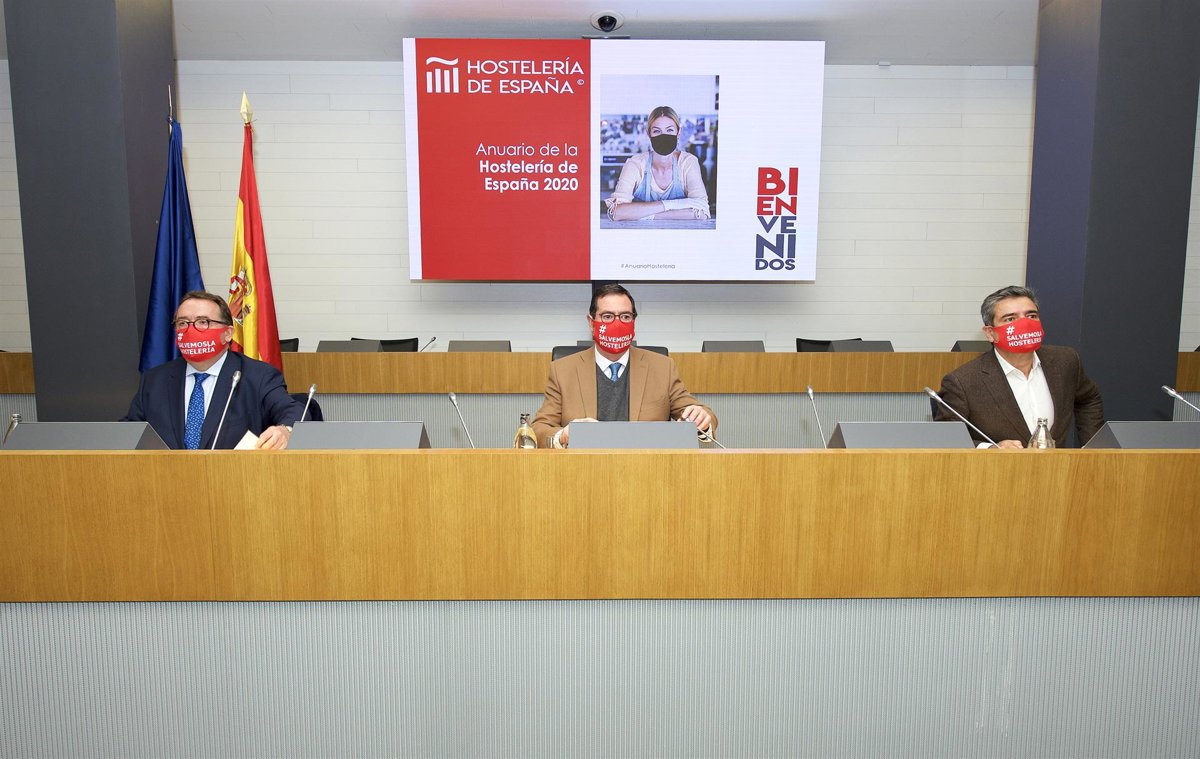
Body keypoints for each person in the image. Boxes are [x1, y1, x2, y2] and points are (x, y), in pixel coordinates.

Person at [532, 284, 717, 448]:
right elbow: (539, 429)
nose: (617, 323)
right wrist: (563, 435)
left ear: (634, 321)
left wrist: (701, 419)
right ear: (591, 322)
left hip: (646, 468)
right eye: (607, 316)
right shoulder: (563, 370)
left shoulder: (662, 367)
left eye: (625, 316)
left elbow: (700, 412)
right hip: (586, 468)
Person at [123, 291, 305, 450]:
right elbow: (130, 432)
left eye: (203, 322)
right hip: (166, 476)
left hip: (233, 475)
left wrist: (284, 430)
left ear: (228, 334)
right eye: (183, 323)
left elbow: (293, 410)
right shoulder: (155, 380)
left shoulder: (258, 376)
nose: (191, 329)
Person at [934, 285, 1104, 448]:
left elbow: (1088, 399)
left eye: (1031, 315)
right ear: (990, 333)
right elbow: (947, 438)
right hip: (1000, 468)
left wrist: (1091, 447)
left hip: (1058, 466)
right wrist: (991, 449)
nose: (1024, 324)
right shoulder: (963, 381)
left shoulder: (1065, 361)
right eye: (1010, 319)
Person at [605, 106, 710, 222]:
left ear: (678, 133)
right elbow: (616, 212)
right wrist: (672, 205)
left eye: (669, 130)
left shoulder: (687, 163)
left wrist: (647, 215)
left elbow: (703, 211)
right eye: (656, 131)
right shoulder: (635, 164)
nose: (663, 136)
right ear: (649, 134)